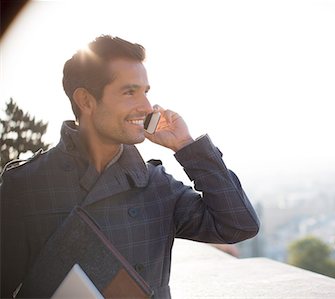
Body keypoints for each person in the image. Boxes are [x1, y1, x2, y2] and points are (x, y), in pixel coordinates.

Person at [0, 35, 260, 298]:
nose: (147, 108)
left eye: (145, 92)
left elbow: (239, 225)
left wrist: (186, 146)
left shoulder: (156, 185)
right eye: (129, 92)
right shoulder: (25, 187)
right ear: (86, 101)